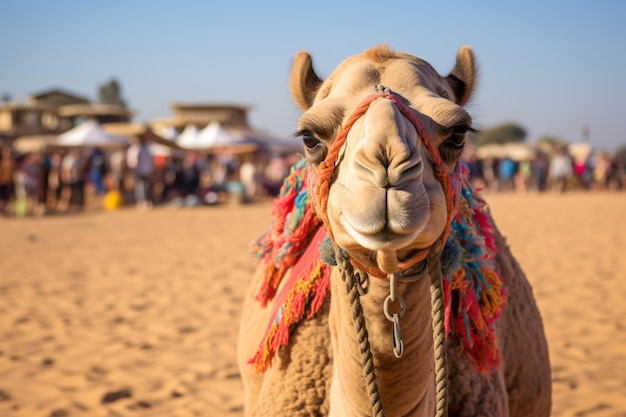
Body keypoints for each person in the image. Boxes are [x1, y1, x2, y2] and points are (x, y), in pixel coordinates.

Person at [126, 138, 154, 208]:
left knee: (146, 186)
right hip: (137, 171)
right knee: (139, 186)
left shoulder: (146, 148)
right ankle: (141, 201)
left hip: (146, 171)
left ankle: (146, 200)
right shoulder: (133, 149)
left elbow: (149, 160)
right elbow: (131, 161)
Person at [0, 145, 17, 215]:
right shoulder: (1, 162)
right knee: (1, 198)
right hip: (1, 182)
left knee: (7, 198)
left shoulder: (12, 162)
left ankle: (5, 210)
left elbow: (14, 172)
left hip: (8, 182)